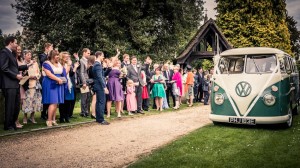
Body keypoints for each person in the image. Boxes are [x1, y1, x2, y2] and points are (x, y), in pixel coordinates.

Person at [0, 37, 29, 131]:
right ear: (10, 43)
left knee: (16, 106)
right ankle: (8, 125)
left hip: (15, 84)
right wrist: (16, 76)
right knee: (10, 105)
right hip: (9, 84)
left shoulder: (12, 54)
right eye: (15, 43)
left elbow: (15, 68)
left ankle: (12, 124)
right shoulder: (4, 52)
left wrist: (27, 66)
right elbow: (4, 68)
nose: (17, 45)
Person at [42, 50, 67, 127]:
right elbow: (49, 74)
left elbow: (63, 72)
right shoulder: (46, 63)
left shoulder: (59, 64)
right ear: (52, 56)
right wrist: (58, 79)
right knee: (53, 101)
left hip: (59, 83)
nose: (58, 57)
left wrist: (63, 80)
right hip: (50, 83)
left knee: (56, 103)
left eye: (58, 55)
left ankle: (53, 119)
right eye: (56, 55)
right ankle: (48, 120)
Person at [22, 50, 42, 124]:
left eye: (30, 54)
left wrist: (37, 76)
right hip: (28, 85)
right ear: (24, 56)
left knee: (35, 101)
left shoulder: (35, 63)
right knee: (27, 101)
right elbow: (23, 75)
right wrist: (30, 76)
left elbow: (39, 73)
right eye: (28, 55)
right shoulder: (23, 64)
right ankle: (25, 116)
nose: (29, 56)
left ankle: (32, 117)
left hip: (36, 84)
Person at [58, 52, 79, 123]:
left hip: (69, 83)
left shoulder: (68, 64)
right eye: (66, 57)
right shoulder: (59, 65)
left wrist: (75, 67)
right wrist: (69, 65)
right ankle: (61, 117)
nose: (67, 58)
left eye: (68, 56)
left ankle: (67, 116)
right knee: (63, 102)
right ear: (62, 57)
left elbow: (71, 74)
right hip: (63, 83)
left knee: (69, 101)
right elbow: (64, 74)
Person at [93, 51, 110, 125]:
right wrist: (104, 87)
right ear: (99, 55)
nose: (103, 57)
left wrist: (109, 68)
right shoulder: (97, 65)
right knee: (101, 102)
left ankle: (98, 118)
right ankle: (101, 119)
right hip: (99, 86)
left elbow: (103, 75)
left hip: (98, 85)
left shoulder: (97, 65)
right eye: (102, 56)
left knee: (99, 102)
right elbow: (100, 77)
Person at [39, 43, 53, 120]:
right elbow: (42, 61)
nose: (52, 48)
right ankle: (43, 114)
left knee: (50, 96)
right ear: (47, 48)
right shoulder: (42, 55)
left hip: (50, 78)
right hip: (44, 78)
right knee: (45, 96)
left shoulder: (51, 57)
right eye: (51, 47)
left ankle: (49, 113)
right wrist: (48, 54)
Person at [79, 48, 91, 117]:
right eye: (88, 53)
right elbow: (81, 73)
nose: (89, 54)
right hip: (84, 82)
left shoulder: (88, 61)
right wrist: (84, 82)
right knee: (84, 97)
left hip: (89, 81)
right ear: (84, 53)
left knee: (88, 97)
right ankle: (83, 112)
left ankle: (87, 111)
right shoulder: (81, 61)